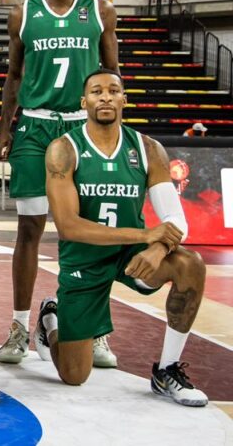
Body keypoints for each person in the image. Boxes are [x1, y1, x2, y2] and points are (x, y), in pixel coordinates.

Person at [37, 69, 208, 407]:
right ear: (83, 102)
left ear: (123, 100)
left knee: (190, 264)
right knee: (74, 375)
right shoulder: (63, 149)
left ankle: (168, 369)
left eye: (113, 90)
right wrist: (147, 234)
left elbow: (176, 220)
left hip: (131, 255)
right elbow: (69, 226)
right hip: (84, 257)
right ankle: (51, 320)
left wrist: (158, 248)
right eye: (97, 91)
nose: (105, 97)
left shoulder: (148, 149)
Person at [0, 0, 120, 368]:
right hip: (34, 125)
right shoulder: (23, 14)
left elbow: (111, 74)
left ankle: (93, 328)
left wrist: (111, 129)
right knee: (29, 227)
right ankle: (18, 326)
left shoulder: (99, 12)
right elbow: (14, 74)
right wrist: (3, 125)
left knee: (82, 232)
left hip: (82, 130)